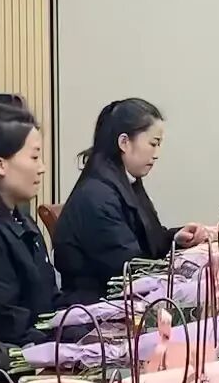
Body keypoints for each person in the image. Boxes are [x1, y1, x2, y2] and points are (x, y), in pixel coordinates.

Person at [53, 98, 207, 302]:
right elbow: (129, 267)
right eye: (153, 144)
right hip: (97, 304)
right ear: (124, 142)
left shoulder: (126, 180)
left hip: (122, 296)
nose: (157, 154)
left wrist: (175, 239)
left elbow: (147, 238)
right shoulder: (97, 196)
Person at [0, 105, 85, 346]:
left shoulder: (20, 216)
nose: (42, 168)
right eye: (34, 157)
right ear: (0, 164)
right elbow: (9, 326)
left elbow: (49, 299)